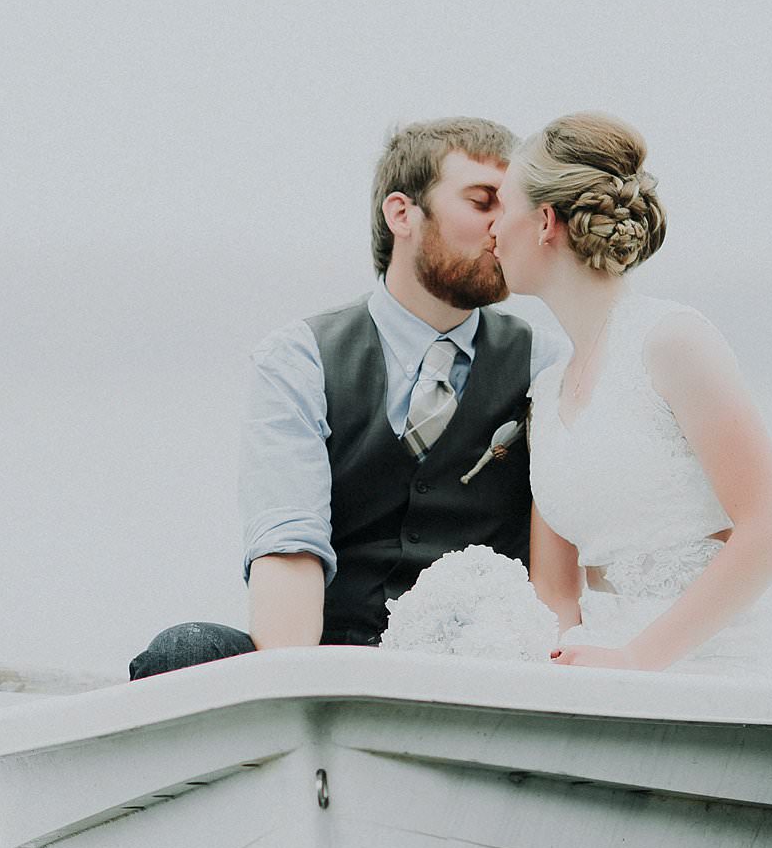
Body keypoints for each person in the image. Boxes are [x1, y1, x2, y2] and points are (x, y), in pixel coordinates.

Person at [129, 118, 567, 676]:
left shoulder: (546, 362)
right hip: (332, 657)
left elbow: (558, 575)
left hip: (482, 669)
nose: (501, 228)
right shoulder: (299, 357)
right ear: (401, 214)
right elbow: (290, 547)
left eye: (511, 208)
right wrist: (301, 692)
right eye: (483, 202)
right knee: (183, 654)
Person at [485, 112, 772, 676]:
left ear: (545, 221)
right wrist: (565, 666)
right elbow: (554, 585)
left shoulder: (673, 342)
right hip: (603, 665)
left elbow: (771, 533)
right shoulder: (546, 391)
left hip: (723, 660)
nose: (491, 230)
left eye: (502, 206)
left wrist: (639, 659)